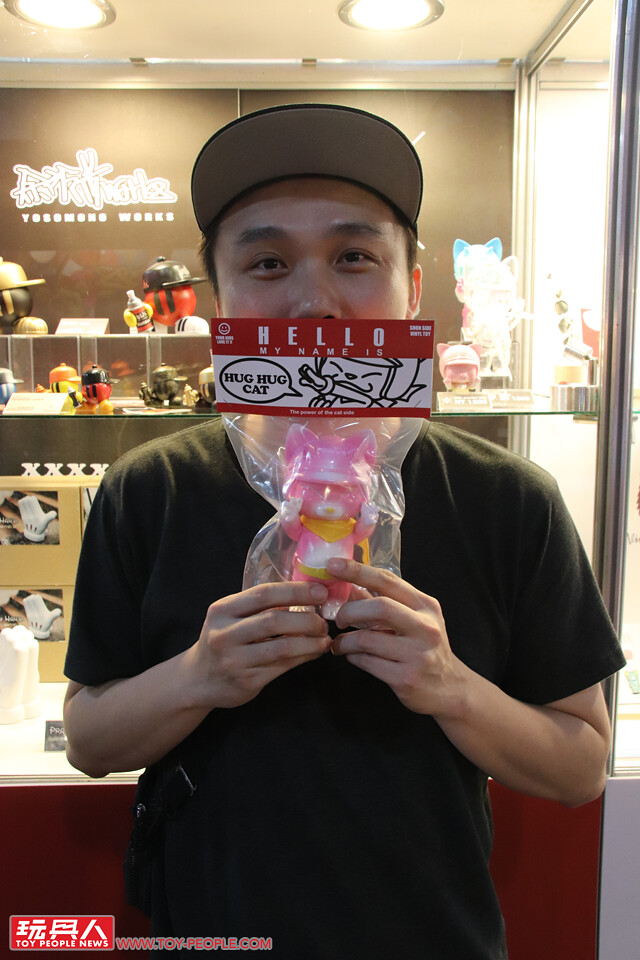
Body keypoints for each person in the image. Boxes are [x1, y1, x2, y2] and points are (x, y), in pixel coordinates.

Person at [63, 104, 624, 959]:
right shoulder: (150, 491)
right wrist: (199, 676)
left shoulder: (510, 500)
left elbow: (581, 767)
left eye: (354, 257)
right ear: (220, 300)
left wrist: (450, 686)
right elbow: (90, 740)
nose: (313, 301)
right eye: (267, 261)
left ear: (414, 289)